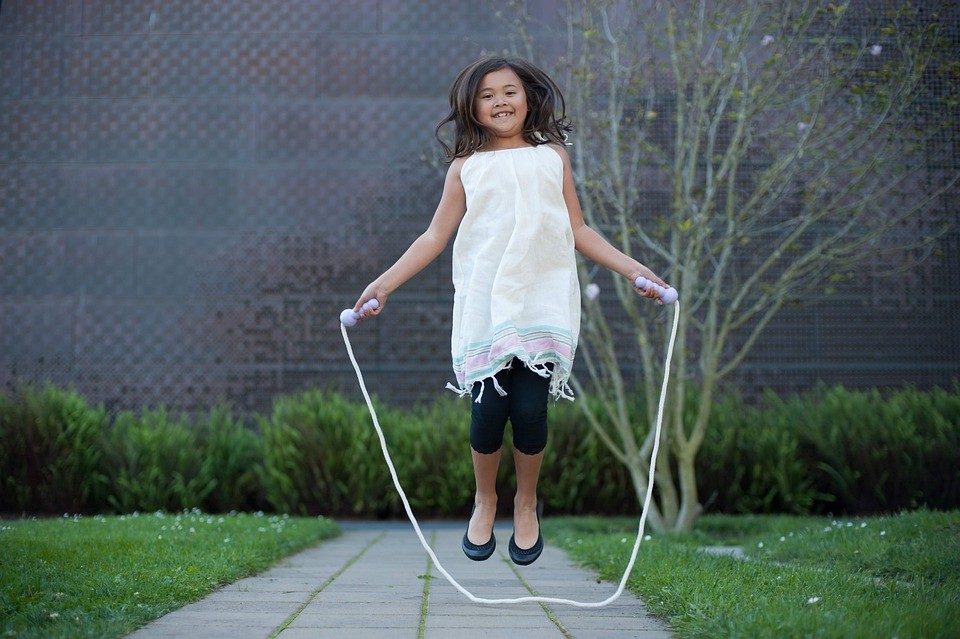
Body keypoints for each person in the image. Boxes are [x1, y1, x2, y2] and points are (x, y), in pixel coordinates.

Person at [350, 55, 669, 565]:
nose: (500, 101)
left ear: (527, 97)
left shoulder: (552, 158)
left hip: (541, 299)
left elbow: (578, 229)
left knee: (528, 409)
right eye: (487, 95)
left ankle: (525, 502)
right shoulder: (466, 168)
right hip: (486, 305)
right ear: (472, 108)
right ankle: (485, 499)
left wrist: (635, 271)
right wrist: (383, 285)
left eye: (509, 91)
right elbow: (434, 236)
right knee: (488, 410)